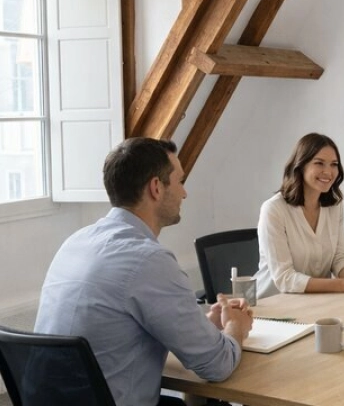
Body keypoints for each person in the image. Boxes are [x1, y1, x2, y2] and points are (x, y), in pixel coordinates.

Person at [35, 138, 253, 406]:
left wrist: (205, 328)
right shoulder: (148, 260)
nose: (185, 193)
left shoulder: (76, 242)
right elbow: (217, 366)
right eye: (180, 182)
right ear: (156, 188)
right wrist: (236, 327)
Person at [255, 133, 344, 298]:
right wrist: (343, 285)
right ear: (301, 166)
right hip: (273, 305)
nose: (328, 171)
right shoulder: (273, 209)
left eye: (334, 164)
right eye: (319, 163)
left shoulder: (335, 206)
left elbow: (339, 257)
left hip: (317, 300)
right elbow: (285, 279)